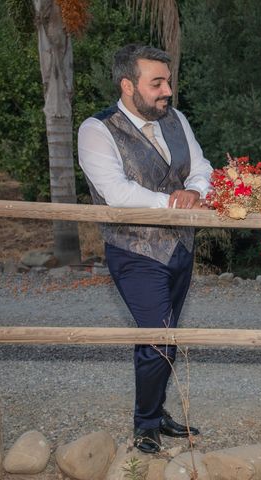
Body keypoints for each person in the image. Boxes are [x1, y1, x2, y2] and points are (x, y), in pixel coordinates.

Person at [78, 44, 212, 454]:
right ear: (127, 85)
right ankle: (145, 425)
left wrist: (195, 190)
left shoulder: (177, 120)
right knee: (157, 336)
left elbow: (201, 168)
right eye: (157, 83)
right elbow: (116, 192)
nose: (167, 90)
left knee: (166, 336)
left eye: (168, 81)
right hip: (134, 250)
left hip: (181, 248)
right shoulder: (96, 129)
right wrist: (176, 200)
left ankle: (156, 411)